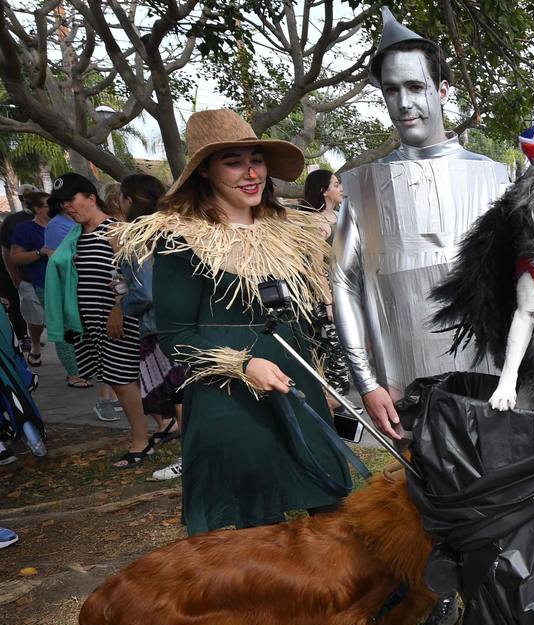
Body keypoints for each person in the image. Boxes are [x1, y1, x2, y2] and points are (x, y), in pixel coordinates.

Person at [333, 12, 509, 625]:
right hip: (410, 383)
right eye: (390, 91)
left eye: (415, 86)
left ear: (441, 90)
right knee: (427, 501)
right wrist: (367, 381)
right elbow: (344, 284)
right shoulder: (365, 188)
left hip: (490, 381)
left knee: (491, 495)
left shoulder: (493, 177)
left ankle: (495, 606)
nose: (404, 102)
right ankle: (434, 605)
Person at [116, 108, 354, 533]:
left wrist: (321, 378)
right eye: (232, 161)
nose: (250, 173)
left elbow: (305, 318)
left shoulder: (289, 230)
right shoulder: (181, 238)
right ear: (205, 171)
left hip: (297, 385)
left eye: (256, 159)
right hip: (231, 400)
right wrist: (243, 365)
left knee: (333, 511)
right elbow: (175, 336)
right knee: (260, 533)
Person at [46, 173, 150, 465]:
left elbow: (128, 276)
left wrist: (118, 308)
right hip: (91, 322)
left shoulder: (114, 231)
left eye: (72, 199)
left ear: (91, 197)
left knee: (122, 380)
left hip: (117, 321)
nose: (67, 207)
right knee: (116, 379)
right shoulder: (76, 237)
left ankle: (141, 442)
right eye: (62, 203)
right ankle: (159, 428)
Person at [115, 174, 185, 459]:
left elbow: (145, 293)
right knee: (184, 391)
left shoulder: (136, 239)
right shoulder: (173, 229)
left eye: (121, 197)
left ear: (130, 200)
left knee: (179, 393)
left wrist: (123, 303)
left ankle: (190, 457)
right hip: (183, 321)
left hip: (159, 327)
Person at [299, 169, 350, 398]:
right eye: (336, 185)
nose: (341, 189)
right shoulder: (314, 222)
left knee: (349, 344)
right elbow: (315, 266)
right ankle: (335, 398)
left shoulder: (340, 216)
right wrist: (327, 300)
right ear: (323, 190)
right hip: (326, 290)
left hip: (346, 285)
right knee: (335, 346)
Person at [40, 195, 91, 389]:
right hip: (62, 286)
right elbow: (55, 258)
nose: (70, 206)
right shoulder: (56, 225)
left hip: (76, 286)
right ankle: (74, 373)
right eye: (66, 202)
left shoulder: (75, 223)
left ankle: (83, 370)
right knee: (66, 331)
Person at [8, 192, 51, 367]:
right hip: (33, 282)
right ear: (38, 209)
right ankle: (35, 345)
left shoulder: (65, 225)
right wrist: (40, 252)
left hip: (62, 283)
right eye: (49, 205)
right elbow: (15, 257)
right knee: (37, 320)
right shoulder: (24, 229)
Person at [0, 185, 39, 354]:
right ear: (21, 199)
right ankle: (27, 338)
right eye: (26, 198)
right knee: (29, 314)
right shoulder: (12, 221)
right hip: (25, 278)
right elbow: (7, 253)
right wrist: (14, 277)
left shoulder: (51, 217)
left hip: (48, 278)